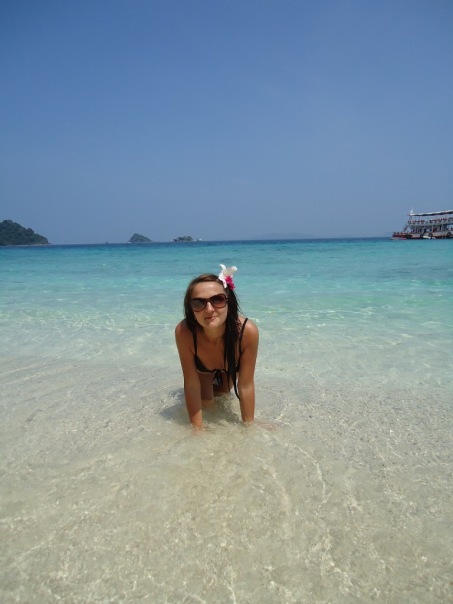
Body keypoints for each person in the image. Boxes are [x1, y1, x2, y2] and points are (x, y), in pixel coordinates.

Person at [175, 264, 259, 429]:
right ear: (190, 309)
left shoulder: (247, 331)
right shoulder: (184, 332)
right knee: (207, 403)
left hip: (231, 366)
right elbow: (191, 384)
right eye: (198, 303)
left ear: (228, 301)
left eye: (217, 300)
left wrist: (249, 427)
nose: (209, 309)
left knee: (222, 395)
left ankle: (222, 382)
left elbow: (246, 385)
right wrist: (197, 429)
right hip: (203, 369)